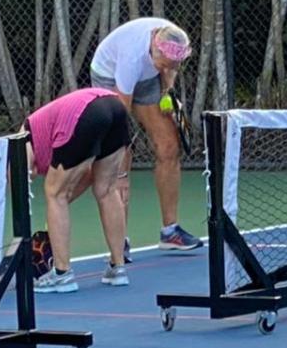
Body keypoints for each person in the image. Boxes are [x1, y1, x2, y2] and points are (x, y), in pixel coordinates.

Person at [90, 18, 202, 252]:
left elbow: (169, 69)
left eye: (172, 65)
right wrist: (121, 148)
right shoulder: (131, 58)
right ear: (153, 47)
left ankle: (170, 232)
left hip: (146, 78)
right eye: (163, 63)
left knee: (169, 146)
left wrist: (167, 93)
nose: (167, 68)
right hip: (110, 75)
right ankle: (119, 242)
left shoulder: (173, 46)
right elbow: (120, 116)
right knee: (120, 156)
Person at [25, 88, 132, 293]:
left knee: (54, 193)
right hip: (115, 106)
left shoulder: (22, 137)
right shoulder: (43, 131)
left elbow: (22, 174)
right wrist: (59, 208)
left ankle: (63, 274)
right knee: (106, 189)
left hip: (84, 112)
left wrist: (58, 204)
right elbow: (88, 177)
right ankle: (118, 267)